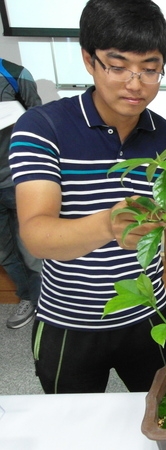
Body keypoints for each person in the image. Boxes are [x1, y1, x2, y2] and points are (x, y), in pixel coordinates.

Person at [9, 0, 166, 394]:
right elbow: (37, 236)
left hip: (148, 315)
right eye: (118, 65)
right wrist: (109, 224)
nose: (135, 82)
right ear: (89, 61)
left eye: (150, 68)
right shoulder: (42, 128)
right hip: (68, 321)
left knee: (155, 413)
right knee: (73, 425)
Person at [0, 57, 43, 329]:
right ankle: (28, 298)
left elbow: (38, 121)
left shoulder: (14, 74)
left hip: (19, 180)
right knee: (4, 252)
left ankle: (45, 304)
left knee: (32, 249)